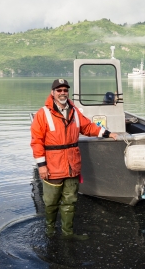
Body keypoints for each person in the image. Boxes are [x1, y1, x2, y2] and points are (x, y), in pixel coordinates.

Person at [30, 78, 118, 240]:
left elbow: (88, 127)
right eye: (59, 90)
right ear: (52, 93)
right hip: (53, 166)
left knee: (70, 201)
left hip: (72, 165)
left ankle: (67, 233)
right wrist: (42, 166)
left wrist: (108, 133)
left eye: (65, 90)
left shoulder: (74, 112)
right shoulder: (42, 114)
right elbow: (36, 142)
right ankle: (50, 231)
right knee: (50, 202)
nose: (62, 93)